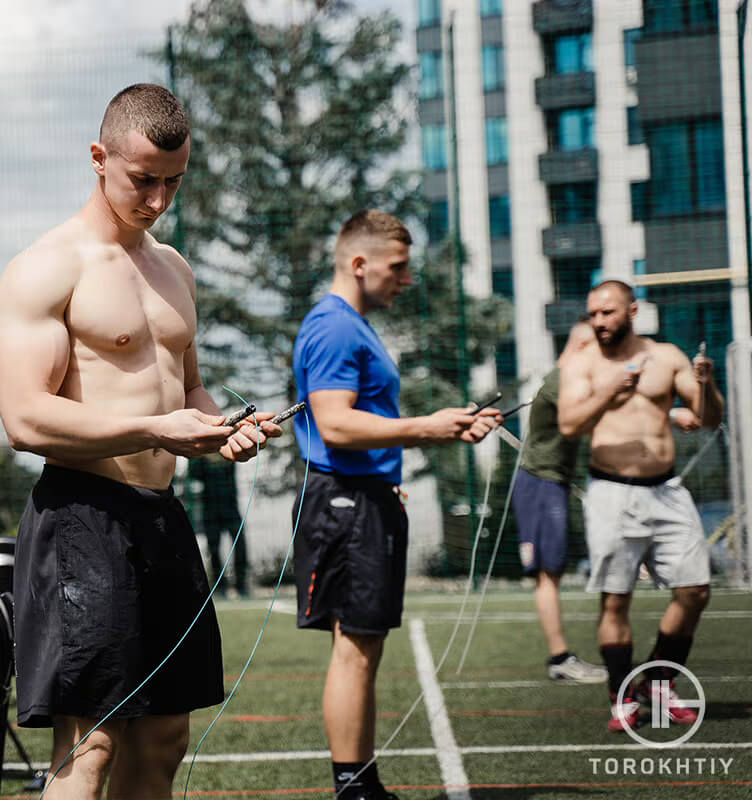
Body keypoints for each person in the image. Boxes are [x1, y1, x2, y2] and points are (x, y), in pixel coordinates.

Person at [0, 83, 282, 800]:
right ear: (98, 157)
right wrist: (156, 428)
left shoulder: (173, 266)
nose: (157, 200)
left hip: (160, 517)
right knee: (90, 744)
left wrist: (225, 429)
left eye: (173, 184)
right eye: (143, 181)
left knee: (165, 736)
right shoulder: (47, 267)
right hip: (81, 518)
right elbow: (25, 420)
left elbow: (187, 390)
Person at [291, 210, 501, 800]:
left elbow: (358, 423)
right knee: (355, 648)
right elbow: (334, 423)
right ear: (359, 265)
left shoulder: (351, 324)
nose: (405, 279)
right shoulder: (334, 326)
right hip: (346, 504)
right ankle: (354, 790)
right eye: (398, 267)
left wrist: (430, 438)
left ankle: (362, 785)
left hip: (361, 498)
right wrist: (427, 429)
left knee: (363, 646)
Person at [558, 280, 722, 733]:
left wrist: (707, 384)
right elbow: (570, 425)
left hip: (666, 490)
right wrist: (611, 389)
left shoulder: (666, 356)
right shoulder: (582, 361)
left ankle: (658, 679)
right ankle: (621, 693)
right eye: (593, 314)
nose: (598, 322)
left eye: (607, 313)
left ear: (632, 311)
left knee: (694, 591)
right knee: (616, 600)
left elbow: (709, 418)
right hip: (611, 492)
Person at [514, 320, 608, 684]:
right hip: (540, 483)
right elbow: (580, 422)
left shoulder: (568, 380)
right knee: (548, 573)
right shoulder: (564, 381)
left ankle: (561, 657)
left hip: (551, 483)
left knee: (551, 571)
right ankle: (560, 658)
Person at [187, 452, 249, 597]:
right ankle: (220, 586)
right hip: (210, 507)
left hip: (230, 505)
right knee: (213, 547)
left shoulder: (227, 449)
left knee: (240, 544)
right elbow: (194, 475)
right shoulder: (201, 455)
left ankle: (241, 584)